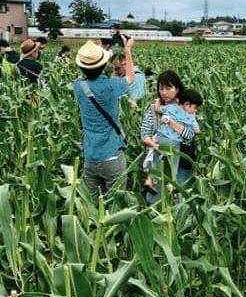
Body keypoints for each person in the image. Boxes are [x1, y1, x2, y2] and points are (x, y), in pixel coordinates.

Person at [73, 38, 135, 201]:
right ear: (104, 65)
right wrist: (127, 50)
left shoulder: (78, 86)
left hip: (90, 158)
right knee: (116, 204)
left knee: (93, 206)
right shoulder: (111, 86)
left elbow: (86, 74)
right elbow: (130, 77)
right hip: (111, 154)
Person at [141, 71, 198, 202]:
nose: (164, 92)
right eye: (161, 88)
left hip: (181, 162)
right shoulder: (153, 109)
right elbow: (144, 133)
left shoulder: (186, 108)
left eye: (168, 88)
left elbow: (189, 135)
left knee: (179, 201)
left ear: (177, 89)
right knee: (155, 201)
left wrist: (171, 121)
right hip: (159, 160)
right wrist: (156, 146)